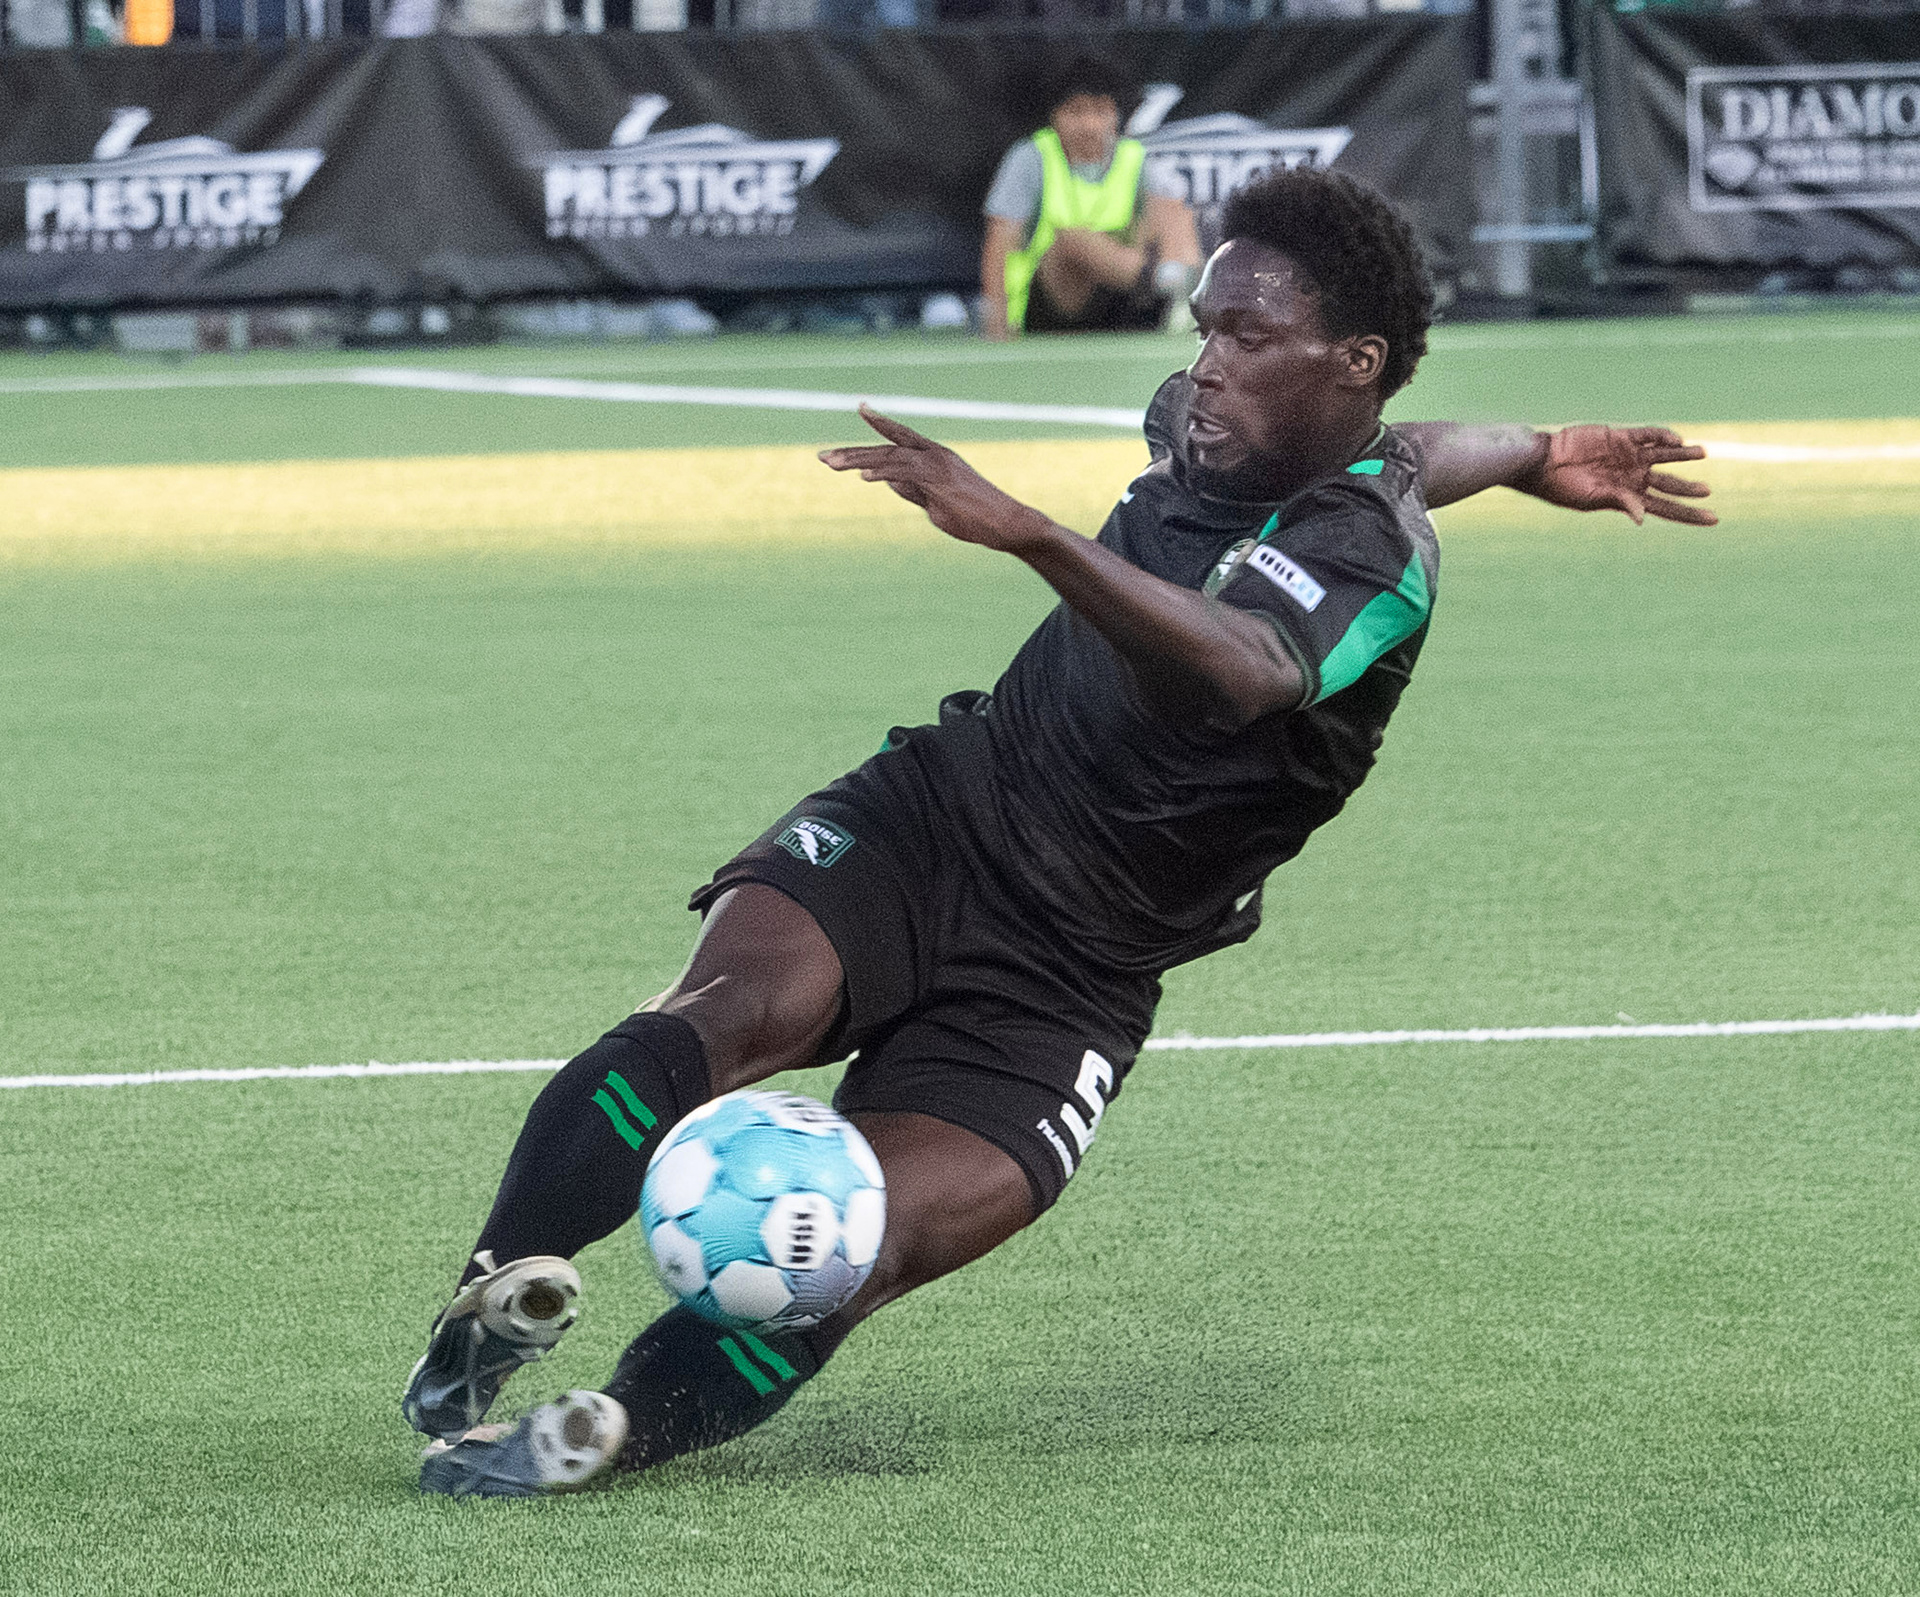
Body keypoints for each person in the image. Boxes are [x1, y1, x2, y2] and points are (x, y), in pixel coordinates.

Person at [403, 167, 1717, 1496]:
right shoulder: (1221, 425)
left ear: (1350, 359)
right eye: (1203, 326)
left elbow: (1252, 666)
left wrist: (1030, 533)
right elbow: (1426, 443)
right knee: (729, 1007)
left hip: (1080, 970)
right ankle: (485, 1306)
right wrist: (1543, 450)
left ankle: (609, 1431)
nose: (1204, 365)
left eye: (1247, 338)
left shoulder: (1376, 555)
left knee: (866, 1244)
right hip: (941, 816)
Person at [980, 57, 1202, 341]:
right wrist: (996, 317)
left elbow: (1172, 221)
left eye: (1100, 111)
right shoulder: (1031, 157)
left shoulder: (1132, 158)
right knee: (1073, 240)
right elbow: (1000, 241)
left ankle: (1181, 294)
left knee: (1172, 209)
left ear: (1115, 116)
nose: (1089, 125)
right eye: (1076, 112)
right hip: (1050, 305)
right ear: (1055, 116)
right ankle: (1167, 290)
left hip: (1118, 301)